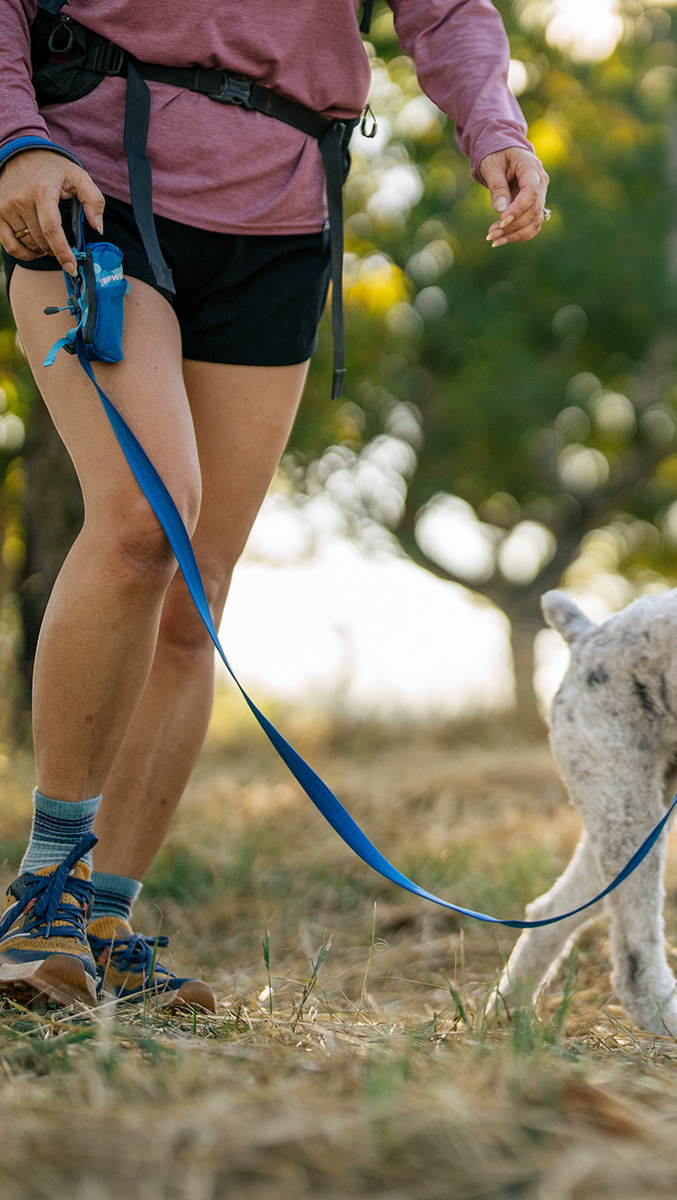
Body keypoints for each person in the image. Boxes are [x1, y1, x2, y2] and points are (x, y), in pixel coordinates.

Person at [0, 0, 548, 1009]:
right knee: (141, 521)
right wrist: (12, 139)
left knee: (192, 587)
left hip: (283, 210)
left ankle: (106, 922)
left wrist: (495, 128)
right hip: (93, 176)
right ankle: (44, 900)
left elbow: (447, 10)